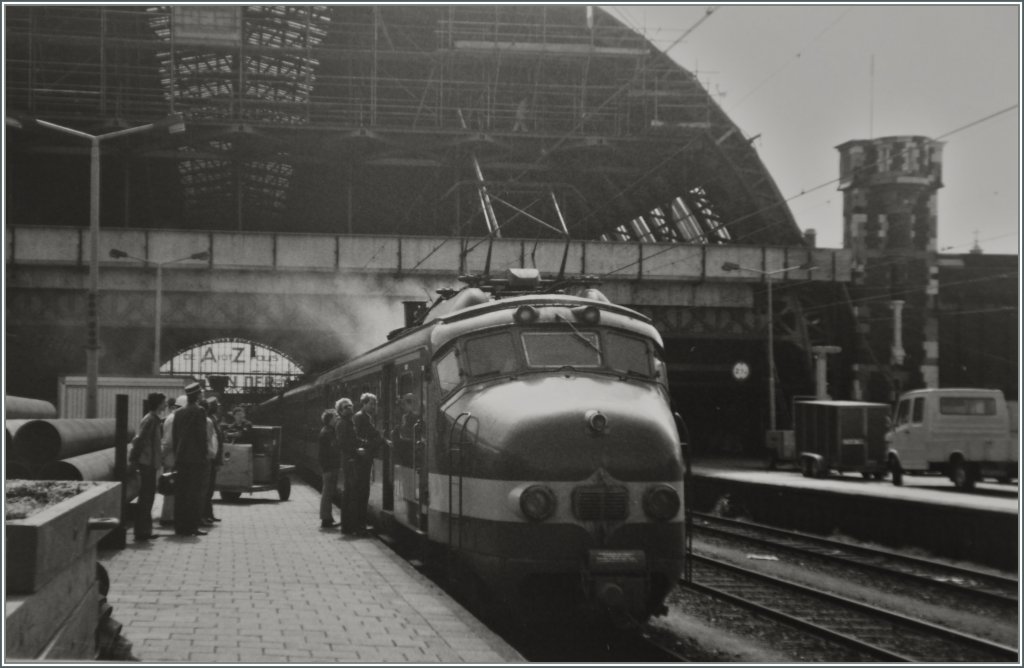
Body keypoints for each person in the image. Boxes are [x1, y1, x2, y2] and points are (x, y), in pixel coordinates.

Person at [165, 382, 210, 537]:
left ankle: (180, 527)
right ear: (197, 395)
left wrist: (178, 455)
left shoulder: (178, 413)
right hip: (196, 459)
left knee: (181, 493)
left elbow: (176, 436)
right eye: (201, 393)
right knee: (194, 494)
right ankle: (192, 527)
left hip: (181, 458)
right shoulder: (200, 411)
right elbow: (201, 436)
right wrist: (204, 456)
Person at [128, 392, 167, 541]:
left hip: (150, 464)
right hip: (147, 464)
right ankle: (142, 532)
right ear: (158, 404)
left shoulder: (154, 420)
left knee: (148, 498)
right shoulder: (150, 420)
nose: (165, 405)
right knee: (145, 498)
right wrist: (134, 460)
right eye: (163, 402)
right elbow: (140, 441)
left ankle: (145, 531)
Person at [349, 393, 388, 536]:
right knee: (362, 492)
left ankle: (360, 524)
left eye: (375, 404)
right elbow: (357, 437)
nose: (374, 406)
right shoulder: (360, 417)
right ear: (364, 404)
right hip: (362, 460)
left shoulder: (365, 417)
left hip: (364, 459)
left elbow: (372, 433)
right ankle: (359, 526)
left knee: (363, 492)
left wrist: (380, 439)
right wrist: (374, 442)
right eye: (371, 403)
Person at [158, 394, 187, 528]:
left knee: (172, 488)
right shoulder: (173, 419)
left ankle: (170, 515)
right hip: (171, 459)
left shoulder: (174, 418)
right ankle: (167, 517)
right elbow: (168, 442)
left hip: (172, 458)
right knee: (170, 489)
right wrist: (162, 457)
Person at [334, 397, 359, 535]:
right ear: (340, 410)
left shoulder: (349, 422)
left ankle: (348, 525)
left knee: (350, 492)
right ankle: (347, 526)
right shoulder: (343, 423)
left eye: (350, 405)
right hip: (348, 460)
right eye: (345, 407)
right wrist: (354, 452)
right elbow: (344, 443)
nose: (349, 408)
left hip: (349, 458)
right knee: (349, 492)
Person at [200, 397, 223, 527]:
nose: (218, 407)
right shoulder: (208, 420)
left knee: (210, 488)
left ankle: (209, 514)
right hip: (211, 458)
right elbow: (212, 441)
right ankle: (205, 515)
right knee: (207, 489)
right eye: (216, 405)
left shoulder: (213, 419)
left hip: (214, 458)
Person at [318, 408, 341, 529]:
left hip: (329, 466)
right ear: (330, 419)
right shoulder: (328, 432)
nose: (338, 418)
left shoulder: (327, 431)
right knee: (327, 493)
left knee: (328, 493)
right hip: (330, 467)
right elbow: (333, 449)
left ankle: (328, 517)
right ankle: (326, 519)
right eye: (336, 416)